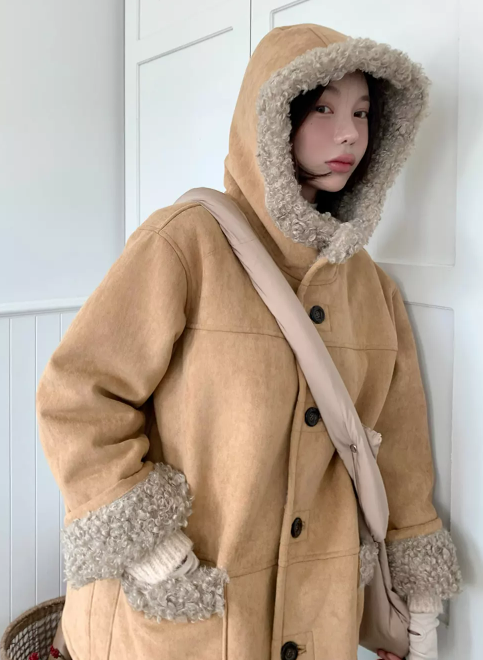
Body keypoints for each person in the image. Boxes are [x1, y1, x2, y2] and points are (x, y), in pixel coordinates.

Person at [36, 22, 462, 660]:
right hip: (191, 614)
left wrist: (418, 594)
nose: (350, 133)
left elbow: (400, 452)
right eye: (323, 109)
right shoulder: (186, 244)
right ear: (272, 115)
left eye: (362, 112)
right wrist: (149, 544)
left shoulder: (372, 290)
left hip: (316, 618)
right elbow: (77, 396)